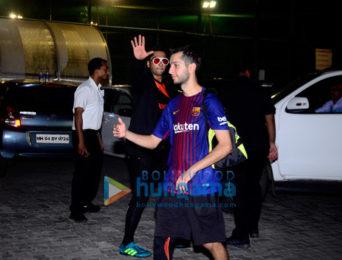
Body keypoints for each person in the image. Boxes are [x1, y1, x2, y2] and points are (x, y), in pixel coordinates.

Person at [114, 45, 231, 260]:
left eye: (175, 65)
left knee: (210, 243)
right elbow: (152, 141)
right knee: (163, 240)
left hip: (202, 186)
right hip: (172, 186)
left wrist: (191, 171)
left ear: (191, 67)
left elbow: (225, 146)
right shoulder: (174, 104)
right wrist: (126, 134)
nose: (170, 70)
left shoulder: (209, 101)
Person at [119, 35, 176, 258]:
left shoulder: (170, 90)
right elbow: (136, 77)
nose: (160, 64)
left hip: (162, 153)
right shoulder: (145, 86)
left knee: (167, 195)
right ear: (149, 64)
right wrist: (137, 61)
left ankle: (172, 234)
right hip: (141, 152)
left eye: (164, 61)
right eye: (156, 61)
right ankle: (126, 243)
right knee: (141, 197)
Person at [218, 60, 278, 248]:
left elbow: (221, 119)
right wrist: (271, 143)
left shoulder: (227, 90)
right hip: (259, 146)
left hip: (239, 148)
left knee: (240, 191)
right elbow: (270, 120)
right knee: (254, 189)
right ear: (248, 73)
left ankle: (241, 235)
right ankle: (252, 228)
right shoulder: (260, 90)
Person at [69, 57, 109, 222]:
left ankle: (86, 202)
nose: (107, 72)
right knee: (82, 173)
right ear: (97, 70)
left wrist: (99, 138)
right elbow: (78, 115)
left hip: (93, 135)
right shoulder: (84, 89)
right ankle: (75, 209)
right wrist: (81, 141)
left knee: (94, 172)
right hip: (82, 134)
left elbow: (95, 117)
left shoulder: (98, 90)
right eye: (105, 69)